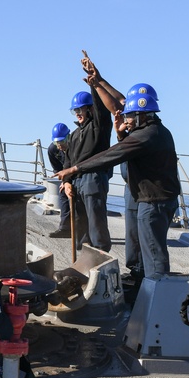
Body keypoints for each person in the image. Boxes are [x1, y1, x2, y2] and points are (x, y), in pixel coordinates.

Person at [55, 92, 180, 281]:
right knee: (141, 247)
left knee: (153, 255)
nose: (125, 119)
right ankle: (141, 283)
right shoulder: (148, 132)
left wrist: (75, 168)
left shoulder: (147, 134)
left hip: (154, 201)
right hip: (147, 198)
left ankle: (157, 298)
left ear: (141, 115)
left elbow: (113, 154)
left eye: (129, 115)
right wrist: (68, 179)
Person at [59, 52, 123, 252]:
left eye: (81, 110)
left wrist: (93, 83)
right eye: (74, 111)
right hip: (77, 181)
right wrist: (66, 182)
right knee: (80, 225)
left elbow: (102, 109)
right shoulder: (76, 134)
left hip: (94, 179)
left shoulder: (99, 126)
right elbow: (68, 159)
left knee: (96, 225)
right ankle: (83, 262)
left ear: (89, 110)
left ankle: (101, 259)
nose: (77, 114)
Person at [47, 123, 71, 238]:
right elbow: (57, 169)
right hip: (66, 176)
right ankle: (65, 228)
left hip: (80, 174)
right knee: (63, 194)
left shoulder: (76, 145)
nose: (59, 145)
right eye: (57, 143)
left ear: (68, 138)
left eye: (62, 142)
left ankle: (85, 230)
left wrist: (69, 182)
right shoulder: (52, 150)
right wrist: (65, 182)